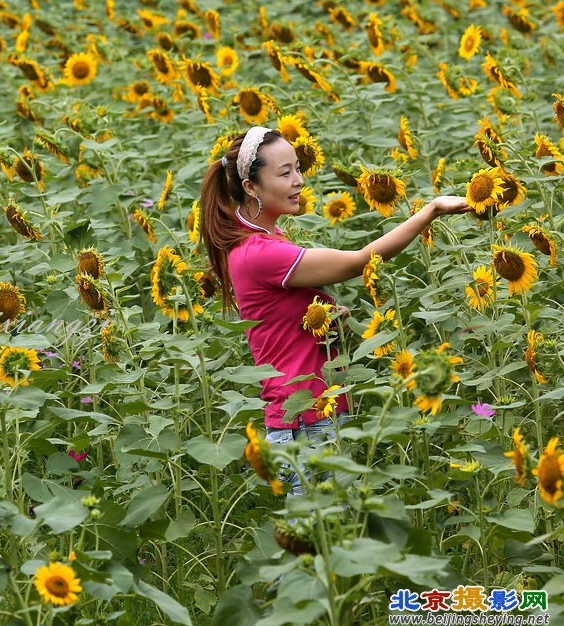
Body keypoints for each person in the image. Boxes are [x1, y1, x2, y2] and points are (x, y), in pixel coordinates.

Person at [199, 126, 472, 495]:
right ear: (251, 187)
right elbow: (360, 261)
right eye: (285, 173)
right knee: (325, 539)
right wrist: (432, 210)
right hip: (306, 425)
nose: (298, 181)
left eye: (298, 169)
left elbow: (280, 321)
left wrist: (327, 316)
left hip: (312, 413)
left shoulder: (260, 239)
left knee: (332, 540)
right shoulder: (261, 253)